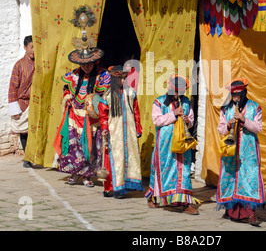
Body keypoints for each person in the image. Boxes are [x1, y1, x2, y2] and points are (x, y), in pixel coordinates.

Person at [53, 30, 110, 188]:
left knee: (89, 149)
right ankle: (74, 173)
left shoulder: (102, 76)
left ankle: (88, 177)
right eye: (83, 64)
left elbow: (104, 95)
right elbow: (66, 89)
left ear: (95, 62)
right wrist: (67, 96)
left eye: (89, 64)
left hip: (91, 119)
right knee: (73, 147)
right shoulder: (73, 76)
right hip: (74, 117)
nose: (86, 67)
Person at [145, 75, 200, 215]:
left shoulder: (186, 101)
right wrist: (174, 114)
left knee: (184, 170)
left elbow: (192, 120)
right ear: (170, 88)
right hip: (165, 143)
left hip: (182, 141)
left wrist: (187, 120)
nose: (177, 95)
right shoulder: (159, 102)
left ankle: (187, 202)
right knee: (163, 169)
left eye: (180, 92)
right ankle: (153, 196)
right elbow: (157, 120)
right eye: (175, 91)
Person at [217, 78, 266, 226]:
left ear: (244, 93)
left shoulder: (254, 107)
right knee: (229, 177)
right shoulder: (225, 108)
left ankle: (251, 214)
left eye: (239, 95)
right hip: (231, 150)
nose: (236, 98)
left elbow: (258, 128)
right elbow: (221, 129)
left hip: (248, 150)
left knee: (249, 179)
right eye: (233, 95)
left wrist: (244, 120)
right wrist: (228, 125)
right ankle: (229, 209)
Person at [99, 65, 143, 198]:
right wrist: (105, 128)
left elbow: (136, 112)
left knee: (129, 157)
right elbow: (103, 114)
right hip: (114, 132)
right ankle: (113, 188)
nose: (123, 81)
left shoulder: (131, 94)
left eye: (124, 78)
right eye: (120, 79)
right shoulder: (107, 95)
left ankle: (126, 186)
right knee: (114, 159)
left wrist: (138, 128)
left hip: (129, 132)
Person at [8, 35, 35, 168]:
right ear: (25, 48)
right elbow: (13, 86)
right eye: (31, 47)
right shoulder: (19, 65)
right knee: (24, 131)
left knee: (35, 129)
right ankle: (27, 158)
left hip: (36, 102)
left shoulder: (41, 64)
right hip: (23, 102)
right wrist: (15, 109)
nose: (34, 50)